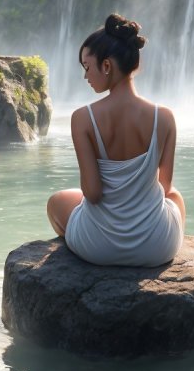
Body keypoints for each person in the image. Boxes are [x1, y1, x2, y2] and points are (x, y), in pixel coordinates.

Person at [46, 13, 186, 267]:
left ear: (107, 66)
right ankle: (163, 239)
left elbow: (94, 193)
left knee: (56, 202)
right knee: (176, 196)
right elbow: (164, 187)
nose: (86, 77)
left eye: (87, 67)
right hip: (156, 248)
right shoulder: (164, 118)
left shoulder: (83, 118)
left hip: (97, 247)